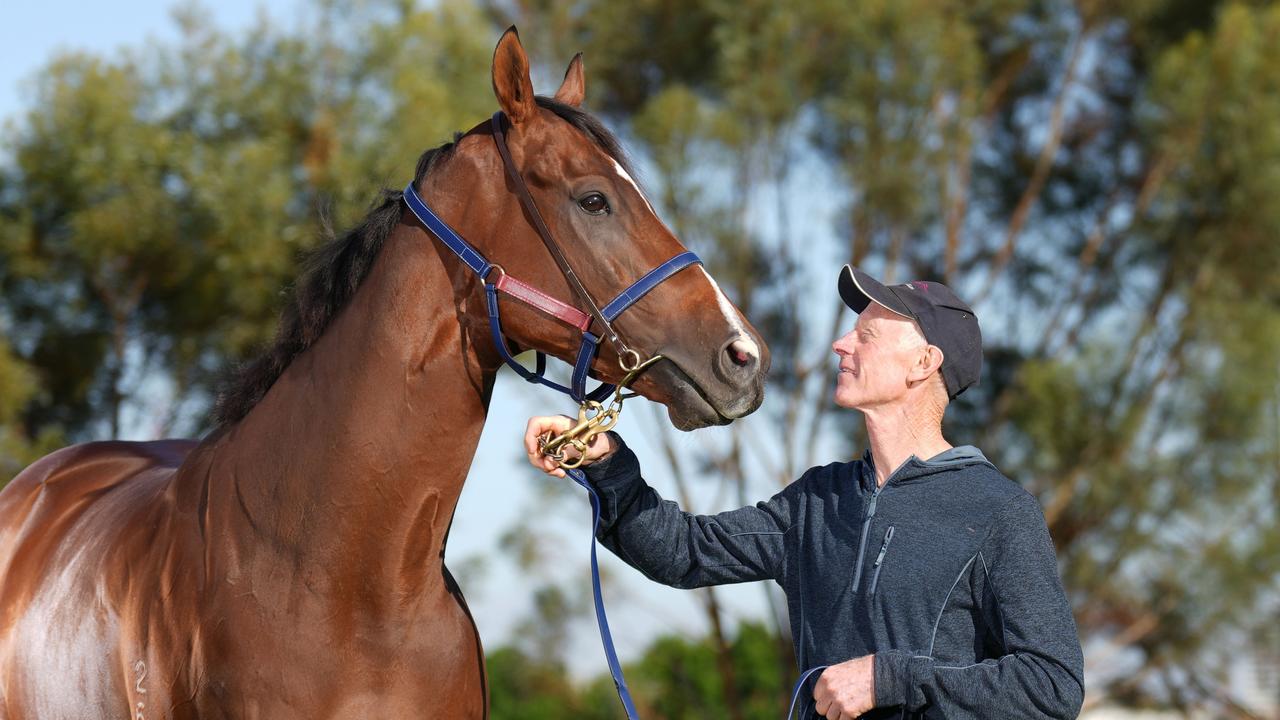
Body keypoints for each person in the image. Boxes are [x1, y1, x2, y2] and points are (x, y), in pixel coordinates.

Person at [523, 266, 1085, 719]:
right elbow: (682, 552)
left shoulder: (998, 511)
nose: (841, 343)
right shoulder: (817, 499)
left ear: (924, 364)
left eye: (865, 334)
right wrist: (607, 464)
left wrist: (888, 678)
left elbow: (1052, 684)